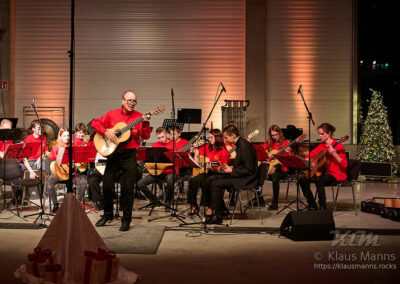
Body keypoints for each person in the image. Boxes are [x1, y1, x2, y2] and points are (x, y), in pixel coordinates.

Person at [91, 90, 151, 231]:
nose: (131, 103)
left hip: (129, 156)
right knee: (106, 186)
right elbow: (94, 123)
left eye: (134, 101)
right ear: (122, 101)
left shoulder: (139, 117)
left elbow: (145, 136)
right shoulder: (112, 114)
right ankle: (107, 215)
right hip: (113, 155)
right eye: (129, 100)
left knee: (127, 189)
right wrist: (105, 132)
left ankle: (126, 220)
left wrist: (146, 123)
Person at [207, 125, 258, 224]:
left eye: (226, 137)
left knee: (215, 184)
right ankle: (221, 210)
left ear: (233, 136)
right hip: (241, 175)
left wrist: (231, 171)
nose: (224, 140)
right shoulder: (240, 144)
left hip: (247, 179)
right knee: (213, 179)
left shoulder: (244, 146)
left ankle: (218, 216)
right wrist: (229, 168)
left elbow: (249, 170)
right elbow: (242, 164)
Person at [299, 123, 347, 210]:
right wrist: (312, 162)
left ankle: (323, 206)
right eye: (319, 134)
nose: (320, 136)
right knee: (302, 179)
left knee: (319, 179)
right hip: (323, 172)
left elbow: (345, 165)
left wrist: (335, 154)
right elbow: (308, 156)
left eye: (322, 134)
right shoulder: (322, 145)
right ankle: (312, 204)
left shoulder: (339, 146)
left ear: (329, 133)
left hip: (336, 174)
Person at [187, 129, 230, 217]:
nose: (209, 139)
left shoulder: (224, 152)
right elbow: (196, 149)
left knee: (207, 182)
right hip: (208, 172)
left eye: (211, 137)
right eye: (209, 137)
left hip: (219, 175)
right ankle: (194, 205)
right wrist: (196, 155)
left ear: (218, 138)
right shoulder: (207, 146)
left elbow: (223, 169)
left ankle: (210, 207)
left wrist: (214, 168)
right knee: (192, 181)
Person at [47, 128, 88, 212]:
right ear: (60, 137)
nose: (67, 137)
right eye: (64, 136)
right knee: (49, 184)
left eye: (68, 135)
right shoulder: (56, 146)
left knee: (84, 182)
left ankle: (76, 203)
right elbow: (52, 159)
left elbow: (77, 160)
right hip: (59, 173)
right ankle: (55, 204)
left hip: (70, 173)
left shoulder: (73, 146)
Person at [136, 127, 171, 204]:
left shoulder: (173, 144)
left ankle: (168, 200)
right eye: (159, 138)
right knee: (140, 184)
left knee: (170, 180)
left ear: (167, 135)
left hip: (168, 172)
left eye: (162, 137)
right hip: (157, 172)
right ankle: (154, 200)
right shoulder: (155, 145)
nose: (160, 139)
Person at [263, 125, 290, 210]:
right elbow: (262, 151)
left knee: (275, 177)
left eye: (276, 135)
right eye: (272, 135)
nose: (274, 137)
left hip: (283, 169)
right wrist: (266, 158)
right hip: (272, 167)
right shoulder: (269, 142)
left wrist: (288, 153)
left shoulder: (285, 143)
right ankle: (259, 199)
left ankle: (275, 204)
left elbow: (289, 159)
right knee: (258, 172)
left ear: (280, 133)